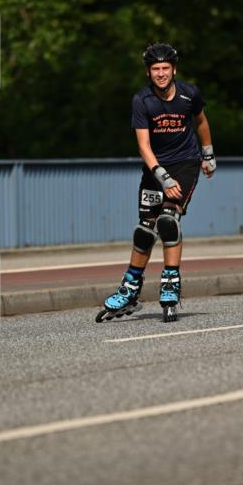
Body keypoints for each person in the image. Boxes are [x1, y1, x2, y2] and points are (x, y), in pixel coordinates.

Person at [97, 42, 216, 323]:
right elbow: (143, 145)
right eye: (155, 69)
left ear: (174, 70)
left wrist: (208, 153)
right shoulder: (142, 100)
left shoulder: (189, 94)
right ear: (148, 73)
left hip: (185, 163)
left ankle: (170, 284)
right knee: (145, 229)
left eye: (165, 68)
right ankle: (130, 290)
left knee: (168, 221)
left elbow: (201, 122)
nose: (160, 73)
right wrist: (162, 176)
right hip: (155, 168)